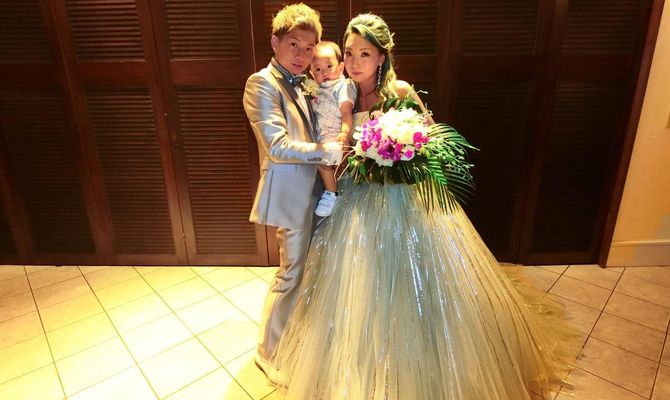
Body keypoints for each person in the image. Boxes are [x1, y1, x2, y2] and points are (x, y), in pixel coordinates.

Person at [269, 13, 579, 399]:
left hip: (404, 198)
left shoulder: (399, 90)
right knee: (357, 287)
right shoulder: (341, 92)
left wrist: (401, 151)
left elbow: (432, 139)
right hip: (357, 199)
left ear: (381, 57)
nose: (354, 62)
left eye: (365, 54)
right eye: (348, 53)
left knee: (413, 281)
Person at [242, 3, 342, 380]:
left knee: (306, 272)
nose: (302, 55)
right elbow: (277, 145)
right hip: (291, 194)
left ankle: (293, 339)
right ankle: (268, 353)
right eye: (294, 45)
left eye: (309, 47)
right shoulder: (261, 83)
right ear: (275, 42)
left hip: (314, 190)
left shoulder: (302, 81)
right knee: (290, 273)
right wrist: (327, 151)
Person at [308, 41, 356, 217]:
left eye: (329, 66)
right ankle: (332, 190)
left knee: (323, 164)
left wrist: (344, 133)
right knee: (318, 163)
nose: (324, 72)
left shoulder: (343, 85)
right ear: (312, 74)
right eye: (318, 69)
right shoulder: (318, 89)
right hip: (321, 136)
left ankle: (331, 194)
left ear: (341, 67)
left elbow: (346, 111)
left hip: (335, 136)